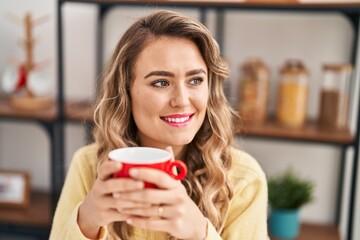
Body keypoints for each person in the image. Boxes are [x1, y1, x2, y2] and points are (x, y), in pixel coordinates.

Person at [50, 10, 268, 240]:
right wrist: (86, 222)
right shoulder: (88, 165)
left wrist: (199, 234)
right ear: (126, 92)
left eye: (195, 80)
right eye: (161, 82)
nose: (182, 100)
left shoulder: (244, 178)